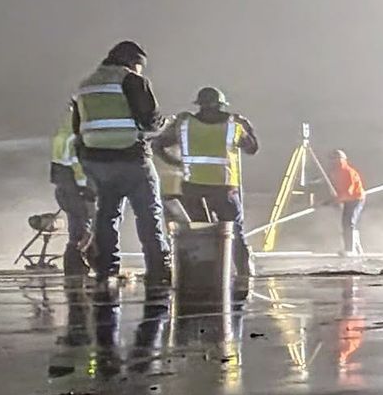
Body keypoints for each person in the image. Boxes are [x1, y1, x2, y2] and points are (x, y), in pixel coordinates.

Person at [72, 40, 171, 285]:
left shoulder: (85, 85)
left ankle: (107, 267)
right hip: (130, 157)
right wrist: (165, 123)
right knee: (149, 214)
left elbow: (78, 127)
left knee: (107, 214)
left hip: (96, 160)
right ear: (133, 62)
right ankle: (159, 269)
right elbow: (149, 121)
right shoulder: (131, 80)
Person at [161, 87, 260, 280]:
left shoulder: (185, 124)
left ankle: (205, 273)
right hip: (224, 188)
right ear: (222, 105)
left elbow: (158, 145)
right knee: (234, 231)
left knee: (201, 232)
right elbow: (252, 148)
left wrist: (176, 163)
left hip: (193, 187)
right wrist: (248, 126)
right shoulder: (233, 125)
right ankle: (244, 273)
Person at [48, 106, 96, 277]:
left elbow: (58, 169)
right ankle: (78, 269)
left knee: (79, 230)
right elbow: (74, 167)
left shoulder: (64, 133)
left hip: (69, 190)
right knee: (84, 231)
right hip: (79, 190)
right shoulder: (77, 135)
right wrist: (87, 192)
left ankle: (77, 269)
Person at [330, 149, 366, 254]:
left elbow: (348, 191)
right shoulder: (336, 173)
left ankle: (350, 249)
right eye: (333, 159)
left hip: (356, 199)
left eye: (337, 159)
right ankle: (356, 247)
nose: (335, 161)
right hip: (348, 199)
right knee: (346, 223)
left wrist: (337, 200)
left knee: (349, 222)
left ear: (343, 159)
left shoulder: (348, 172)